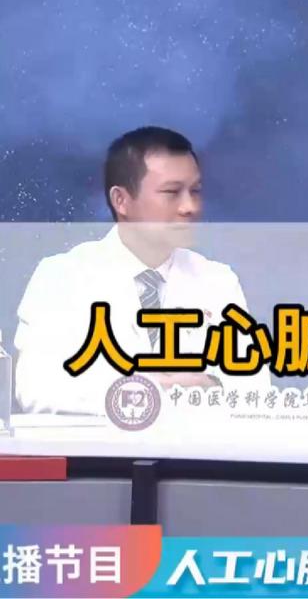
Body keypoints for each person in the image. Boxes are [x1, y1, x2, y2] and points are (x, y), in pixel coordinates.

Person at [15, 126, 266, 414]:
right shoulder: (62, 277)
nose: (190, 207)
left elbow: (254, 388)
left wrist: (212, 385)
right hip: (101, 444)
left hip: (196, 444)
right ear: (121, 200)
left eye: (195, 191)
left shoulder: (218, 281)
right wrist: (152, 389)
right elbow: (37, 388)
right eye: (171, 192)